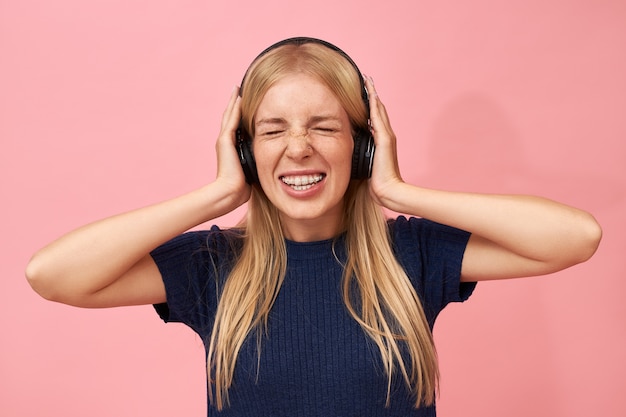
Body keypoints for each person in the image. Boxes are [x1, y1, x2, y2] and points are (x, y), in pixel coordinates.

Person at [25, 37, 602, 416]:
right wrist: (218, 195)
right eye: (273, 131)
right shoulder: (213, 266)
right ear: (247, 154)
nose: (298, 148)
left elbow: (576, 237)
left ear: (363, 147)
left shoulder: (413, 254)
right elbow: (52, 275)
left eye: (324, 127)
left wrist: (399, 190)